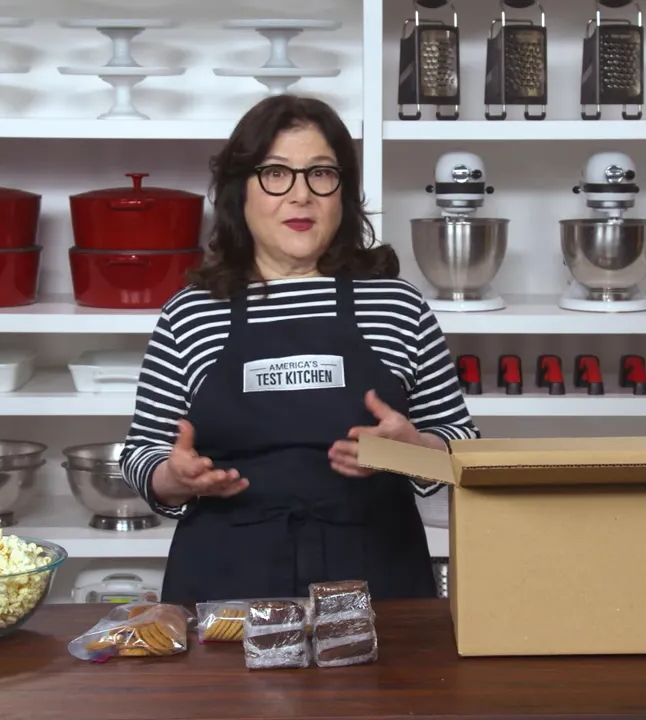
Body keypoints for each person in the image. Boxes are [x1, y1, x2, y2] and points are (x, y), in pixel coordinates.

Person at [120, 94, 480, 605]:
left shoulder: (397, 306)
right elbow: (143, 454)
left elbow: (462, 445)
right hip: (226, 581)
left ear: (343, 193)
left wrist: (417, 451)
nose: (300, 195)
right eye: (275, 174)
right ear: (238, 193)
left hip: (378, 574)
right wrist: (176, 478)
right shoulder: (192, 313)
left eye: (321, 174)